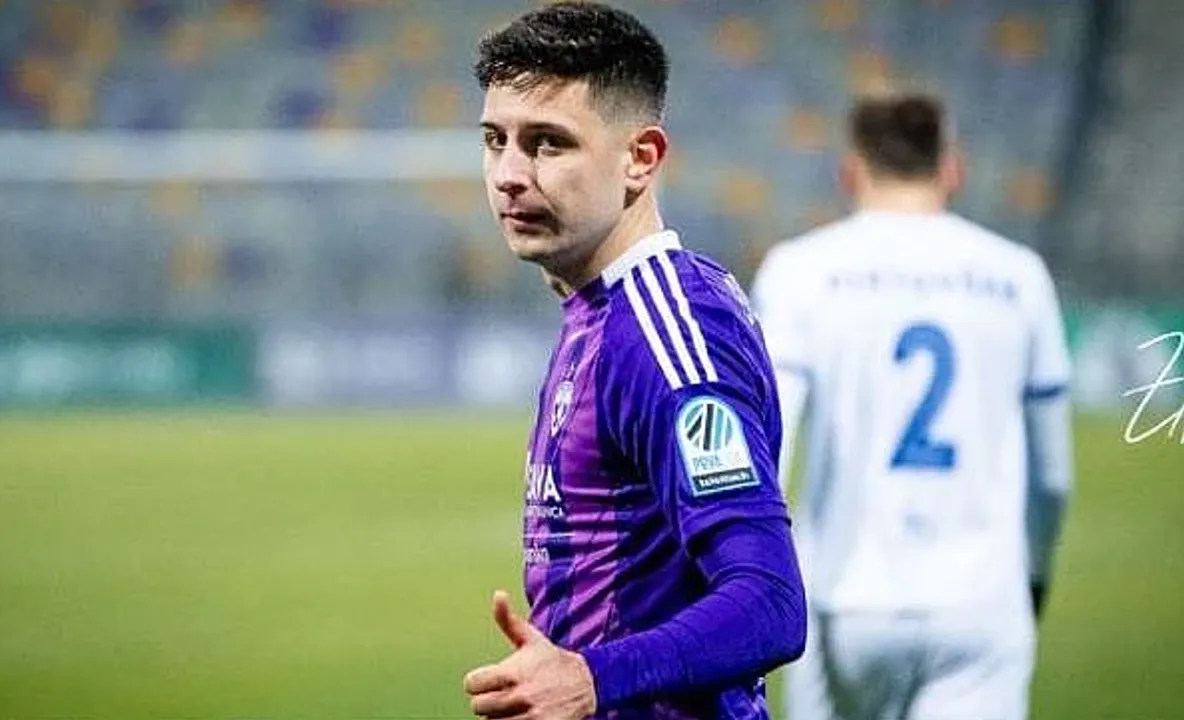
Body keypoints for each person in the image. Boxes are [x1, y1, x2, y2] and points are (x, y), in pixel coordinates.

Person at [460, 3, 807, 719]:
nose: (509, 174)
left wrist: (591, 678)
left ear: (640, 158)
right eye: (496, 141)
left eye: (548, 144)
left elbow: (769, 601)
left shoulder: (665, 333)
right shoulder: (600, 309)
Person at [750, 91, 1074, 720]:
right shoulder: (1019, 275)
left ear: (850, 172)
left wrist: (756, 583)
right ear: (953, 169)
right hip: (982, 598)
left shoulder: (800, 270)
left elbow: (770, 443)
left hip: (846, 595)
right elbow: (1052, 476)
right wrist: (1031, 575)